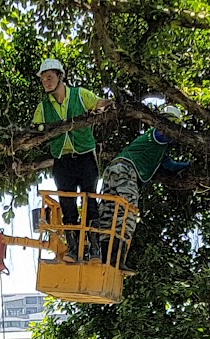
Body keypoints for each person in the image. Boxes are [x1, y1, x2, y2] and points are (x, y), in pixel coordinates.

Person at [91, 104, 191, 267]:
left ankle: (103, 255)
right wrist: (183, 135)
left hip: (114, 170)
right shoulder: (158, 135)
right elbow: (164, 134)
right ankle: (116, 258)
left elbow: (170, 165)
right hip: (126, 171)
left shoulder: (158, 147)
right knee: (128, 213)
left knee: (109, 212)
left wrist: (187, 165)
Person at [31, 57, 111, 261]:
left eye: (49, 77)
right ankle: (74, 249)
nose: (46, 82)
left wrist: (103, 107)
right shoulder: (43, 107)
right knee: (67, 205)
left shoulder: (80, 95)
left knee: (90, 201)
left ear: (60, 76)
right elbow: (35, 130)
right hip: (62, 160)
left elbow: (100, 103)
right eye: (43, 80)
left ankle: (94, 249)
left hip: (85, 157)